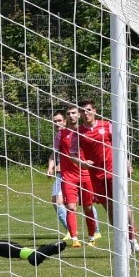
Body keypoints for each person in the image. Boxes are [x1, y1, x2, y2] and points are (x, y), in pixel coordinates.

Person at [77, 99, 139, 252]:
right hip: (96, 177)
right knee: (112, 213)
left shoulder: (106, 125)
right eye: (83, 111)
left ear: (94, 110)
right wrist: (82, 162)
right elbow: (74, 154)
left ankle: (133, 240)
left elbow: (120, 145)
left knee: (125, 208)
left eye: (88, 110)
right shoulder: (78, 132)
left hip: (115, 172)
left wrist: (127, 163)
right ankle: (124, 241)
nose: (85, 113)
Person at [54, 105, 100, 248]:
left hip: (86, 175)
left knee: (87, 207)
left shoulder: (85, 132)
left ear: (79, 115)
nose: (71, 116)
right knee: (71, 207)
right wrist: (51, 165)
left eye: (74, 113)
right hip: (68, 177)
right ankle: (74, 238)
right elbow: (54, 152)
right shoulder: (60, 135)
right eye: (68, 113)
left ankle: (92, 237)